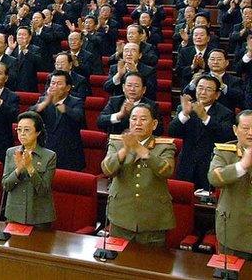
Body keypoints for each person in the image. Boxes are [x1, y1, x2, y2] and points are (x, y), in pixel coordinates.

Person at [101, 102, 176, 246]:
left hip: (153, 219)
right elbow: (107, 170)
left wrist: (139, 148)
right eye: (134, 119)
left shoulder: (165, 146)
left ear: (154, 124)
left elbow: (166, 171)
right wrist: (125, 149)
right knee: (117, 263)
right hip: (121, 216)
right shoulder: (116, 142)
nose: (138, 123)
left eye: (143, 119)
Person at [169, 75, 236, 190]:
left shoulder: (226, 113)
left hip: (209, 167)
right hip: (186, 166)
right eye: (200, 88)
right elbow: (172, 132)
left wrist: (205, 117)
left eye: (208, 89)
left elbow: (225, 137)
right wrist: (184, 114)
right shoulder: (184, 108)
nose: (203, 92)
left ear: (217, 95)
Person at [208, 110, 252, 259]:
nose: (250, 133)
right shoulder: (224, 152)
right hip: (234, 230)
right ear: (235, 129)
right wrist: (242, 166)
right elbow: (214, 177)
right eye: (245, 128)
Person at [2, 111, 57, 229]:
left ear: (38, 132)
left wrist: (29, 168)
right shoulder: (11, 152)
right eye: (19, 130)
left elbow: (43, 190)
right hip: (14, 215)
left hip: (39, 218)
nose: (22, 134)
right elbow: (6, 186)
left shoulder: (49, 156)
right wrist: (19, 169)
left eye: (26, 130)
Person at [30, 70, 85, 172]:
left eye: (59, 83)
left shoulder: (76, 101)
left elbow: (79, 118)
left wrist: (57, 104)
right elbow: (29, 116)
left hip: (68, 154)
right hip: (46, 151)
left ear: (68, 88)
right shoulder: (43, 101)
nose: (54, 86)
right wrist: (44, 103)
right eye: (52, 83)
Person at [97, 72, 162, 135]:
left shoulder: (152, 105)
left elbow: (159, 130)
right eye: (129, 85)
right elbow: (100, 121)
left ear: (144, 90)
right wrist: (120, 115)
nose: (132, 89)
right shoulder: (115, 101)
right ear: (123, 88)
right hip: (118, 141)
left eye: (136, 86)